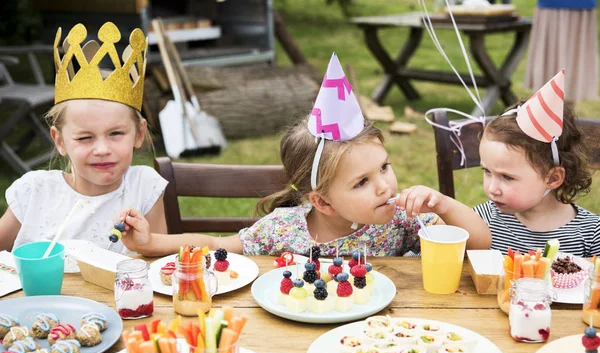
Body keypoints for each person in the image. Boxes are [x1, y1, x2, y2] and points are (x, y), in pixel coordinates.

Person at [121, 53, 490, 257]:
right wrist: (151, 243)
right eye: (362, 182)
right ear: (322, 202)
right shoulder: (284, 230)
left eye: (384, 167)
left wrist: (443, 205)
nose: (384, 187)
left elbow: (479, 243)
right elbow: (216, 245)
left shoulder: (400, 224)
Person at [0, 22, 167, 253]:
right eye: (85, 138)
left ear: (139, 134)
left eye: (115, 133)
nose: (101, 149)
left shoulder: (144, 187)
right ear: (59, 141)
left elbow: (157, 262)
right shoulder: (35, 192)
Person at [474, 70, 600, 256]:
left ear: (553, 178)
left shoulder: (591, 235)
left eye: (507, 177)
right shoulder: (482, 220)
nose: (492, 188)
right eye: (487, 171)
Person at [525, 0, 598, 103]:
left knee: (573, 70)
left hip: (581, 5)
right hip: (552, 7)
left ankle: (566, 112)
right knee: (549, 74)